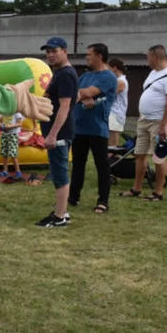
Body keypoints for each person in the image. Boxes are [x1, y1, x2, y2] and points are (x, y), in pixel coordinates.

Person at [121, 44, 167, 201]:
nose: (147, 60)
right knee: (139, 154)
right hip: (145, 120)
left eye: (148, 57)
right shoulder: (153, 73)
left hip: (158, 122)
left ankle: (158, 192)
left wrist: (163, 125)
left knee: (158, 157)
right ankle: (137, 188)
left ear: (155, 56)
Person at [69, 43, 118, 214]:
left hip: (97, 129)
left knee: (101, 165)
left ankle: (103, 201)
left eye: (89, 55)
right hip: (80, 127)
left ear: (100, 56)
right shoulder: (85, 75)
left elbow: (88, 92)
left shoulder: (108, 77)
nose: (86, 57)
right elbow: (76, 92)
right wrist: (82, 97)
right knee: (78, 164)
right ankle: (73, 197)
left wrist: (83, 95)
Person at [36, 36, 78, 227]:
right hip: (58, 132)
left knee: (60, 174)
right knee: (59, 172)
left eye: (54, 51)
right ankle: (63, 212)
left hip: (59, 134)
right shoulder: (61, 73)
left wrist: (53, 134)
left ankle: (59, 216)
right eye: (48, 52)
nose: (50, 55)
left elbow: (65, 106)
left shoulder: (66, 74)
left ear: (65, 51)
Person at [107, 57, 128, 147]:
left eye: (109, 68)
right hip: (113, 113)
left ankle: (114, 159)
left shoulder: (121, 81)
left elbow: (110, 93)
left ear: (114, 68)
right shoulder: (117, 80)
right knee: (109, 143)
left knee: (112, 144)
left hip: (116, 114)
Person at [0, 111, 24, 180]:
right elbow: (0, 121)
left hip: (13, 134)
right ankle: (5, 171)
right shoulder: (3, 112)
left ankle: (18, 172)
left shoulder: (16, 113)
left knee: (13, 154)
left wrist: (10, 126)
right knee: (4, 153)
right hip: (4, 134)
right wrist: (0, 126)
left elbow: (20, 123)